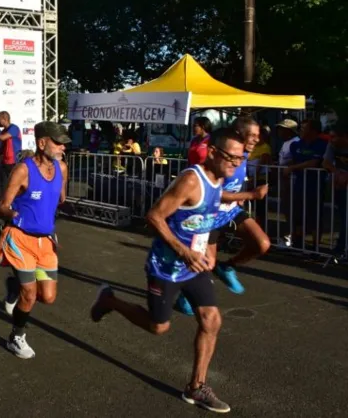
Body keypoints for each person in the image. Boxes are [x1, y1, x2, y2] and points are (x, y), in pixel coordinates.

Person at [90, 128, 247, 414]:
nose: (236, 164)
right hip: (166, 266)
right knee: (158, 327)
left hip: (194, 266)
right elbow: (154, 216)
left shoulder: (219, 179)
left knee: (211, 320)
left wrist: (209, 250)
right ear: (212, 152)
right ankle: (109, 300)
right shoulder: (190, 180)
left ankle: (196, 387)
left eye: (240, 158)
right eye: (230, 157)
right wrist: (183, 251)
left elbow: (208, 217)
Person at [176, 117, 271, 316]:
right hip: (211, 214)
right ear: (238, 134)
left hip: (231, 210)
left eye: (258, 135)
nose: (256, 139)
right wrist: (250, 195)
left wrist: (241, 195)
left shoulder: (245, 156)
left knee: (262, 244)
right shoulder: (223, 159)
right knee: (205, 264)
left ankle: (227, 267)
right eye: (251, 135)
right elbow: (214, 192)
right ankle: (184, 297)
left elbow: (234, 184)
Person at [0, 121, 69, 359]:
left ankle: (13, 286)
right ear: (42, 143)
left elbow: (61, 199)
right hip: (21, 239)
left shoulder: (63, 168)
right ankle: (16, 337)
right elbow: (2, 206)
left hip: (45, 242)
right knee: (30, 295)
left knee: (47, 297)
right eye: (58, 143)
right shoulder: (23, 170)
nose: (62, 148)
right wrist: (14, 213)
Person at [284, 119, 328, 247]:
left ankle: (316, 246)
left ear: (313, 131)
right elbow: (292, 161)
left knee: (314, 216)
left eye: (304, 128)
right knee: (297, 215)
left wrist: (292, 168)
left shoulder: (322, 144)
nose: (301, 130)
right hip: (298, 184)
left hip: (315, 186)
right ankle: (298, 243)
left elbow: (314, 162)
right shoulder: (296, 145)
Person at [322, 125, 348, 256]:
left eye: (334, 137)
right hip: (341, 187)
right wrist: (337, 172)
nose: (330, 139)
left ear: (344, 136)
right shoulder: (332, 145)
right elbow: (325, 162)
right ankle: (341, 246)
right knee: (344, 217)